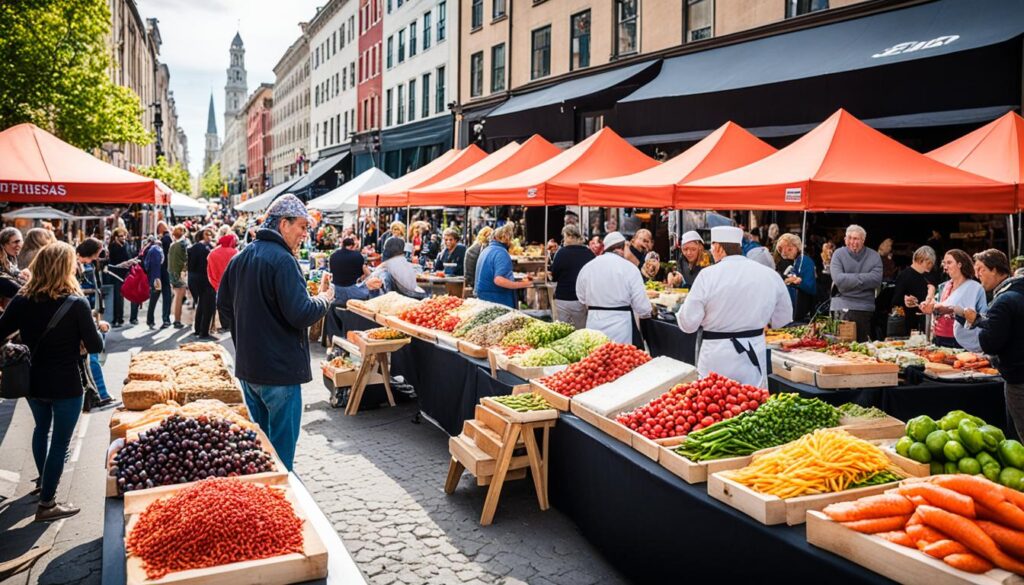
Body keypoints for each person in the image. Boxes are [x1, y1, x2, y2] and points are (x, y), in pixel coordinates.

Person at [217, 195, 333, 471]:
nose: (306, 234)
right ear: (284, 224)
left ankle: (264, 498)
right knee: (280, 458)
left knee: (258, 452)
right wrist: (326, 299)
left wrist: (245, 338)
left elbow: (223, 305)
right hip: (279, 373)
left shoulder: (241, 256)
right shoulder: (283, 260)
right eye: (303, 227)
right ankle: (281, 498)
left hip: (249, 369)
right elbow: (301, 313)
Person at [0, 242, 105, 521]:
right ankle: (47, 503)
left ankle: (42, 483)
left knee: (41, 429)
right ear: (65, 268)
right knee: (60, 442)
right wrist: (98, 328)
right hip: (66, 382)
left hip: (33, 380)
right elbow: (96, 346)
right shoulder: (76, 302)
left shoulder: (22, 299)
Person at [678, 226, 793, 388]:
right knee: (753, 403)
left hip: (716, 356)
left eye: (712, 247)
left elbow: (688, 324)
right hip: (753, 351)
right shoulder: (769, 275)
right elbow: (783, 317)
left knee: (713, 405)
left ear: (718, 247)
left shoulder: (707, 275)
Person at [960, 250, 1024, 433]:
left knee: (1019, 434)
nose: (977, 275)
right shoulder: (1018, 291)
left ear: (995, 270)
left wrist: (977, 322)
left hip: (1018, 377)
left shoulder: (1002, 301)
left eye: (981, 269)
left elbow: (989, 343)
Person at [576, 232, 653, 347]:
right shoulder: (630, 268)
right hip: (621, 329)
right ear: (622, 248)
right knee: (620, 360)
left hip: (594, 324)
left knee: (596, 360)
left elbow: (581, 297)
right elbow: (643, 308)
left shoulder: (588, 267)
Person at [920, 249, 986, 349]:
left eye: (949, 263)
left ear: (960, 264)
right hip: (939, 337)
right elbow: (938, 307)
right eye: (944, 263)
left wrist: (951, 309)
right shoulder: (944, 286)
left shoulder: (975, 287)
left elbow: (983, 317)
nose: (945, 267)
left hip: (962, 341)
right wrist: (928, 306)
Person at [829, 224, 882, 342]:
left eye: (856, 238)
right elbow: (838, 279)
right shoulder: (838, 254)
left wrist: (848, 280)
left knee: (864, 347)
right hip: (842, 306)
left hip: (865, 307)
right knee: (842, 347)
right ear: (845, 239)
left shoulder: (874, 256)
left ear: (863, 240)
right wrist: (864, 279)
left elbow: (876, 279)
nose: (852, 242)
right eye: (849, 238)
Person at [476, 223, 532, 308]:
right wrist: (526, 284)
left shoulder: (486, 250)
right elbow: (499, 280)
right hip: (497, 301)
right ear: (507, 238)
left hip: (485, 299)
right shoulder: (501, 253)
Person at [549, 224, 594, 329]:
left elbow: (554, 276)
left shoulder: (561, 253)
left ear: (570, 236)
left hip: (563, 298)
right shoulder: (589, 253)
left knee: (562, 330)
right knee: (581, 331)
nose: (563, 240)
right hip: (581, 299)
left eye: (564, 236)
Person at [891, 246, 936, 336]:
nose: (931, 265)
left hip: (925, 321)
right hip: (907, 323)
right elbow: (896, 301)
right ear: (920, 260)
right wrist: (906, 300)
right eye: (929, 262)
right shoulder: (904, 275)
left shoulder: (928, 276)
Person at [775, 233, 817, 322]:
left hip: (804, 312)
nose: (784, 252)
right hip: (798, 310)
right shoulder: (797, 261)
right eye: (781, 249)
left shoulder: (804, 261)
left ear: (795, 247)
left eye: (789, 249)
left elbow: (811, 287)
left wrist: (797, 282)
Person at [187, 227, 216, 339]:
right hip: (204, 278)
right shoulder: (206, 248)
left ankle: (198, 329)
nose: (210, 236)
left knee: (201, 304)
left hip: (193, 278)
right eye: (207, 234)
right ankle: (203, 331)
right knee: (207, 304)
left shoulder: (193, 247)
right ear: (202, 236)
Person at [330, 237, 377, 304]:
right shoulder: (357, 255)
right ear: (352, 246)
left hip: (337, 291)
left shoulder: (333, 255)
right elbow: (364, 274)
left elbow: (332, 272)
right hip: (353, 292)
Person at [140, 236, 167, 329]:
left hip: (153, 277)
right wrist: (156, 280)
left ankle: (150, 320)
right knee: (153, 300)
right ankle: (150, 321)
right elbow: (155, 267)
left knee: (153, 300)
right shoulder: (156, 250)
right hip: (156, 278)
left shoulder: (150, 250)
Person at [167, 225, 189, 328]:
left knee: (177, 297)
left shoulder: (173, 245)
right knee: (179, 298)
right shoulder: (183, 244)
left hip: (173, 273)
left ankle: (176, 319)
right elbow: (186, 259)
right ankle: (177, 320)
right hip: (180, 273)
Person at [464, 226, 492, 295]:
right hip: (480, 285)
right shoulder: (485, 248)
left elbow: (467, 274)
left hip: (474, 283)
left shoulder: (471, 250)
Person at [156, 221, 173, 327]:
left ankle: (165, 318)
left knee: (164, 293)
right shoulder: (169, 238)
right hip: (167, 269)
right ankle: (166, 318)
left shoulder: (164, 239)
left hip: (164, 270)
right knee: (166, 293)